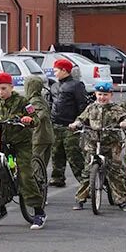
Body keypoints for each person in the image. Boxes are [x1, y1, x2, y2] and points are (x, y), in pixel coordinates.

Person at [0, 72, 45, 229]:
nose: (0, 92)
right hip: (4, 143)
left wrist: (28, 120)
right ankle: (0, 207)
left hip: (22, 143)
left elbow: (36, 119)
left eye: (4, 88)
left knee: (25, 174)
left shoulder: (23, 102)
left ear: (11, 87)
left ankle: (38, 212)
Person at [68, 81, 126, 211]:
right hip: (92, 142)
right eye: (99, 94)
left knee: (115, 171)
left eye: (105, 95)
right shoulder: (91, 108)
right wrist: (75, 124)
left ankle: (121, 200)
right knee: (87, 172)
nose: (102, 97)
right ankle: (80, 199)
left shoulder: (116, 108)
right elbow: (81, 119)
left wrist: (125, 123)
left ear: (110, 95)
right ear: (95, 94)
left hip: (111, 144)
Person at [49, 57, 90, 188]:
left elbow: (82, 104)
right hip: (56, 124)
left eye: (56, 70)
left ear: (64, 70)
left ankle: (85, 182)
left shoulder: (76, 85)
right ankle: (57, 177)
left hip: (71, 125)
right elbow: (51, 103)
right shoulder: (54, 86)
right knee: (56, 153)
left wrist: (80, 121)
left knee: (74, 155)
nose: (54, 73)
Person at [22, 75, 54, 212]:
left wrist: (30, 119)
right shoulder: (39, 98)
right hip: (46, 136)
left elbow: (41, 114)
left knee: (35, 167)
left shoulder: (34, 101)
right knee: (41, 165)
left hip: (39, 137)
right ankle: (41, 191)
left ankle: (37, 195)